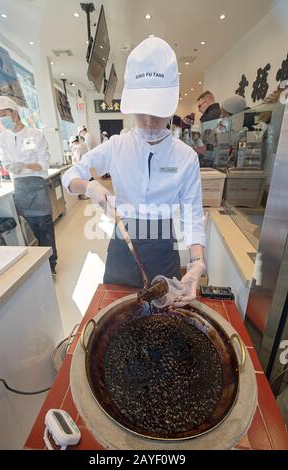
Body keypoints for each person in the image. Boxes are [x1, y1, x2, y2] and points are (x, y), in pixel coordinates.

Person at [62, 37, 206, 303]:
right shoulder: (117, 146)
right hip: (122, 243)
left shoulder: (185, 157)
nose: (150, 121)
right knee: (116, 318)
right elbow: (69, 177)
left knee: (163, 318)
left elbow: (193, 214)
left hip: (163, 248)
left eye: (158, 113)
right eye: (142, 113)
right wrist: (90, 187)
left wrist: (197, 262)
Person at [0, 95, 58, 275]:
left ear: (14, 112)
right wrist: (8, 166)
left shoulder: (35, 135)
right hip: (20, 187)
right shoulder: (2, 138)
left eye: (3, 112)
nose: (1, 116)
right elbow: (3, 159)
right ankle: (42, 262)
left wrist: (24, 165)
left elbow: (43, 163)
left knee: (46, 230)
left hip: (36, 186)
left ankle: (51, 265)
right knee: (34, 230)